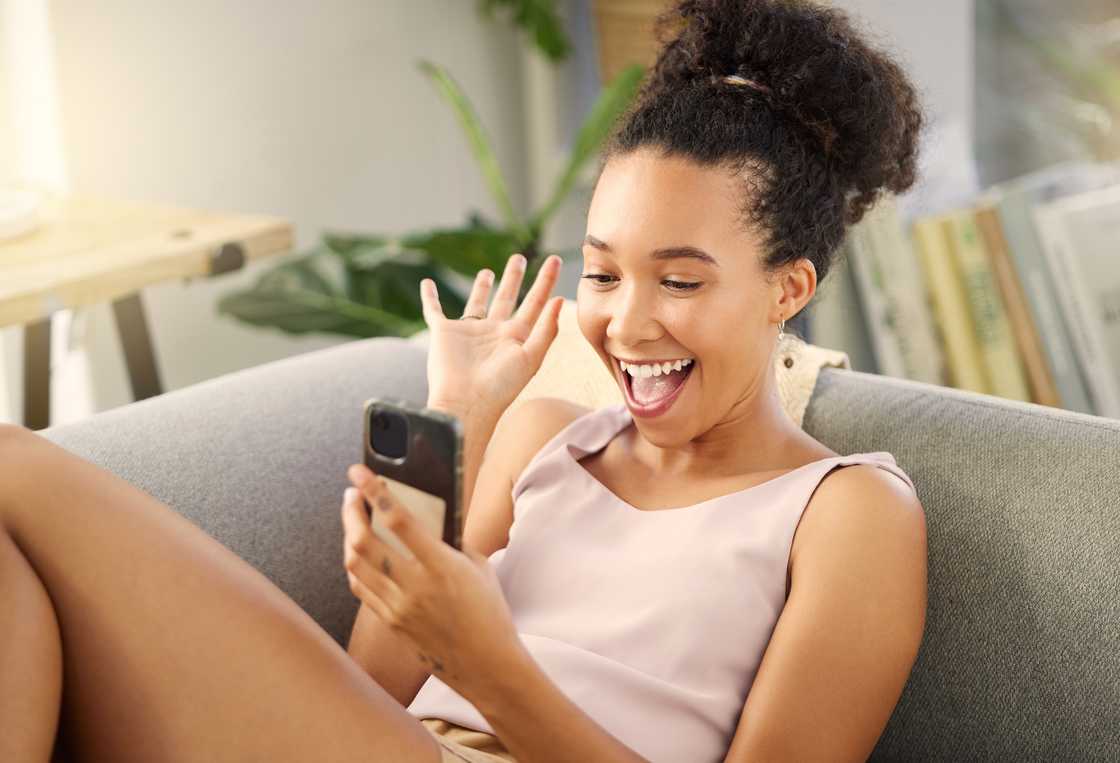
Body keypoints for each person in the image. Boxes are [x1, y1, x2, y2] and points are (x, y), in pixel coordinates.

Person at [0, 3, 926, 763]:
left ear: (788, 287)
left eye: (680, 280)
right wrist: (459, 417)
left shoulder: (848, 514)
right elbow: (373, 692)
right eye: (603, 274)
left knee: (12, 463)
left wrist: (489, 665)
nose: (627, 322)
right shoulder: (546, 438)